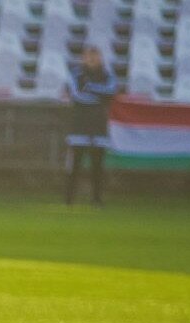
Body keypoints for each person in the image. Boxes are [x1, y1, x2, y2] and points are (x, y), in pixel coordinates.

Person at [64, 45, 118, 206]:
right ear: (83, 58)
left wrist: (89, 87)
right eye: (89, 56)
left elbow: (111, 93)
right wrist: (98, 97)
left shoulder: (108, 75)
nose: (92, 59)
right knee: (75, 164)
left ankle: (96, 198)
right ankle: (69, 198)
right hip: (79, 122)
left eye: (95, 56)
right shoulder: (75, 74)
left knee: (97, 165)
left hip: (98, 122)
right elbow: (76, 96)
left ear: (100, 58)